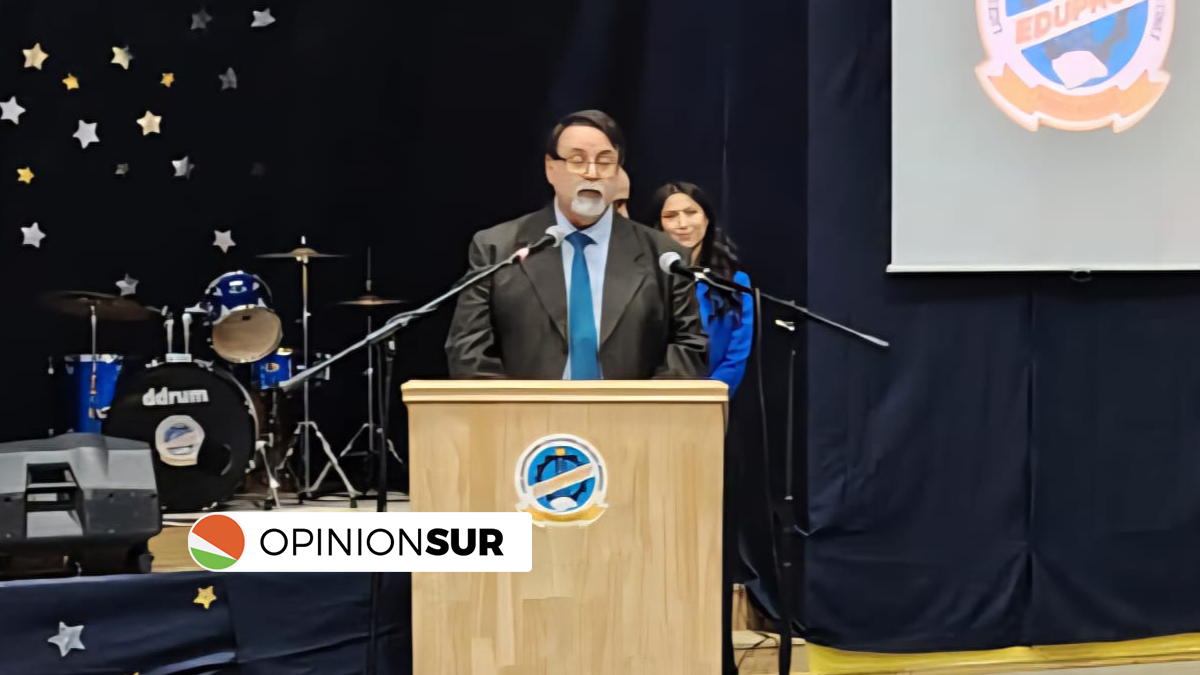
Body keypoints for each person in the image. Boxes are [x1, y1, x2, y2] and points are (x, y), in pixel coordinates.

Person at [445, 110, 707, 380]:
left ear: (618, 172)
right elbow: (468, 348)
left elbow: (689, 346)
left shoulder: (663, 255)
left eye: (604, 162)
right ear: (550, 168)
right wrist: (513, 405)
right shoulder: (498, 247)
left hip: (632, 407)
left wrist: (643, 403)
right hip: (524, 407)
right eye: (577, 160)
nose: (592, 173)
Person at [649, 181, 753, 396]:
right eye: (671, 216)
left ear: (707, 218)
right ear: (658, 225)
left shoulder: (734, 282)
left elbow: (736, 356)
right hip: (652, 397)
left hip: (711, 400)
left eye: (691, 213)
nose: (682, 224)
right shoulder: (645, 279)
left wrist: (705, 399)